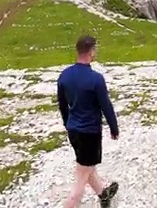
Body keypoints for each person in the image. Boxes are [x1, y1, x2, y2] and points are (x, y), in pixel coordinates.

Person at [57, 35, 120, 208]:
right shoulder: (96, 79)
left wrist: (68, 124)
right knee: (81, 176)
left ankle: (103, 194)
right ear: (91, 51)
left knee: (86, 166)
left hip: (73, 130)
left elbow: (62, 106)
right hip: (89, 132)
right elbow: (105, 105)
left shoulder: (64, 76)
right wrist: (114, 128)